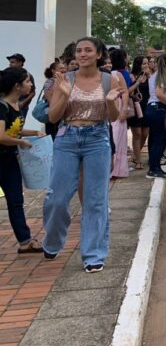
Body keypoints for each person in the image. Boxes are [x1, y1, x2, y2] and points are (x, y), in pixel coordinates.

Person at [43, 37, 124, 272]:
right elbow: (53, 117)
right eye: (79, 51)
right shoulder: (64, 79)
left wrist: (110, 102)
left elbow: (113, 117)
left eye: (88, 50)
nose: (82, 54)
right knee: (57, 198)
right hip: (67, 138)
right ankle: (53, 240)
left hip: (97, 138)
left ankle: (93, 254)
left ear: (99, 54)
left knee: (95, 199)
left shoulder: (110, 79)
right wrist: (64, 94)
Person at [0, 67, 46, 254]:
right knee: (15, 200)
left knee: (16, 200)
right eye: (27, 81)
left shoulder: (16, 105)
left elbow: (14, 130)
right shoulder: (2, 107)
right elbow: (1, 136)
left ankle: (25, 241)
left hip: (9, 160)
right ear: (17, 86)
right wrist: (21, 142)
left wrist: (34, 132)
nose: (30, 85)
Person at [145, 54, 166, 179]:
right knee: (160, 139)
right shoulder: (163, 76)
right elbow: (160, 94)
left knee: (155, 138)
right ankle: (154, 168)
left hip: (152, 108)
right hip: (159, 108)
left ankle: (154, 166)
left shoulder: (154, 75)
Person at [108, 49, 131, 179]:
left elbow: (125, 91)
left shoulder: (117, 74)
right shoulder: (99, 75)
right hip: (106, 110)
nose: (107, 64)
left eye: (109, 62)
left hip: (118, 108)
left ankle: (118, 169)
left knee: (118, 139)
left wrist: (124, 109)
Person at [127, 56, 150, 169]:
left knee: (145, 134)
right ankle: (138, 160)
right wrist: (137, 82)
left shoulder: (149, 76)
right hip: (136, 107)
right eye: (143, 63)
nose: (146, 65)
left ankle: (135, 156)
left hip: (147, 107)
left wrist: (149, 76)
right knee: (137, 134)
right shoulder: (132, 76)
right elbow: (128, 92)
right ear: (138, 64)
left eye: (147, 63)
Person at [6, 54, 35, 119]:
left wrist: (23, 103)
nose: (10, 64)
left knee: (18, 124)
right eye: (10, 62)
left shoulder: (27, 76)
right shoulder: (7, 74)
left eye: (12, 62)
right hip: (8, 105)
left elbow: (33, 92)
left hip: (21, 107)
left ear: (20, 63)